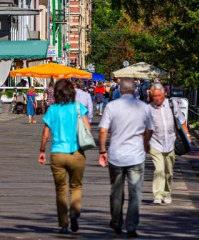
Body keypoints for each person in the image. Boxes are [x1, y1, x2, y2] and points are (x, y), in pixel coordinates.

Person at [99, 78, 154, 238]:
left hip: (116, 155)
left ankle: (116, 222)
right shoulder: (143, 107)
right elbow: (150, 128)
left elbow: (103, 130)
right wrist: (145, 142)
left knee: (116, 191)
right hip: (136, 155)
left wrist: (102, 150)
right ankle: (131, 226)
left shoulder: (112, 106)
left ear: (120, 90)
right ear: (135, 90)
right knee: (135, 192)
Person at [38, 79, 92, 234]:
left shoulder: (53, 110)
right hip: (76, 153)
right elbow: (87, 127)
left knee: (60, 189)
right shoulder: (78, 107)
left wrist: (42, 150)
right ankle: (74, 212)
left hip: (57, 153)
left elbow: (46, 133)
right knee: (76, 186)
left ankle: (63, 224)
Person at [148, 84, 185, 204]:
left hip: (171, 142)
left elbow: (182, 120)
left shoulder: (172, 105)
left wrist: (188, 136)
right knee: (159, 169)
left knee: (169, 170)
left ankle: (167, 193)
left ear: (164, 94)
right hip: (155, 143)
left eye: (159, 95)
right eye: (154, 96)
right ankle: (157, 195)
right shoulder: (149, 108)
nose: (157, 98)